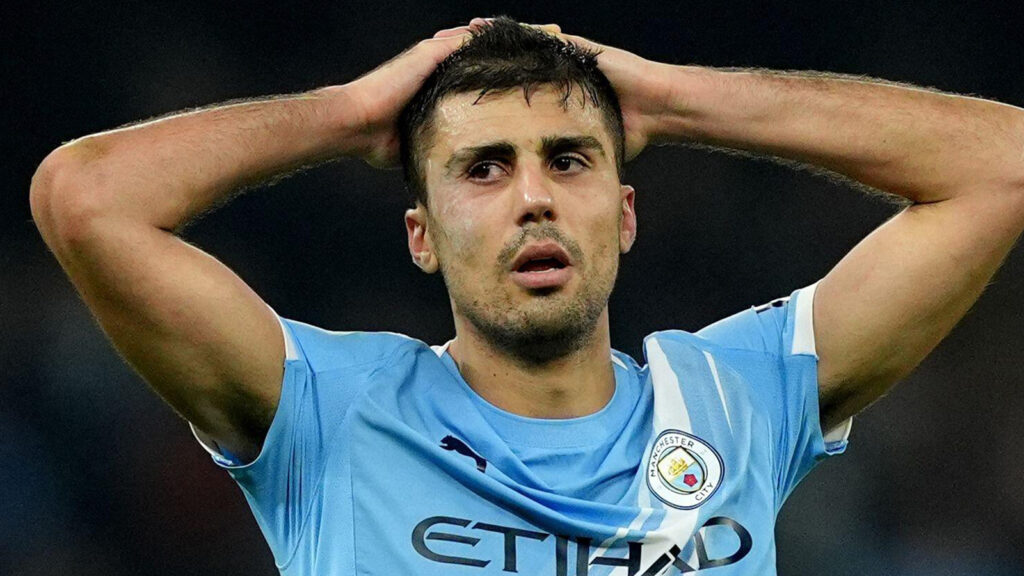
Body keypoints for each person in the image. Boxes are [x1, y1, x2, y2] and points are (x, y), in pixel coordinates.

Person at [28, 15, 1023, 576]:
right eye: (483, 168)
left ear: (624, 214)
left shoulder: (736, 395)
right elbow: (85, 200)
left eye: (569, 158)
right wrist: (352, 113)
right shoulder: (327, 410)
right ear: (420, 234)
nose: (534, 197)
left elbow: (1003, 163)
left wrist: (678, 100)